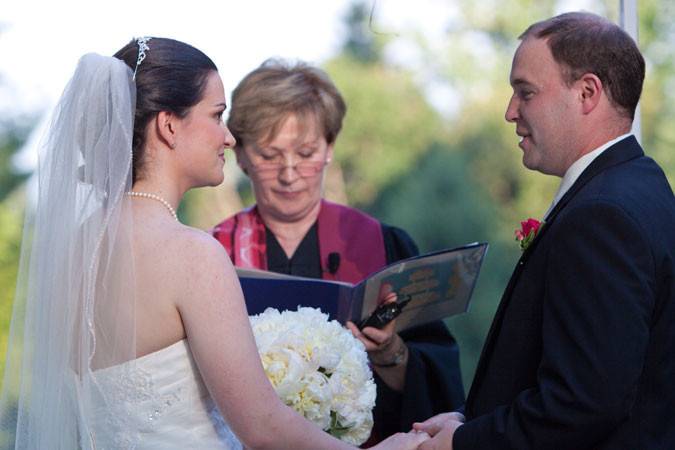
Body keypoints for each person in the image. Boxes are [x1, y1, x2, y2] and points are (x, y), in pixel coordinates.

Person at [0, 37, 430, 450]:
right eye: (217, 115)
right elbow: (262, 427)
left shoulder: (76, 249)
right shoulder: (193, 254)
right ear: (169, 126)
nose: (227, 137)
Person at [414, 11, 675, 450]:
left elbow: (583, 404)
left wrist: (461, 444)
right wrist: (467, 422)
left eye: (526, 92)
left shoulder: (603, 217)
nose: (509, 111)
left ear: (587, 93)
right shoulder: (643, 187)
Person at [211, 59, 465, 441]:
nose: (290, 172)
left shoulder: (384, 245)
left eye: (307, 152)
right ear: (242, 156)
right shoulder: (214, 253)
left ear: (330, 147)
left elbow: (438, 382)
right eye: (269, 154)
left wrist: (392, 355)